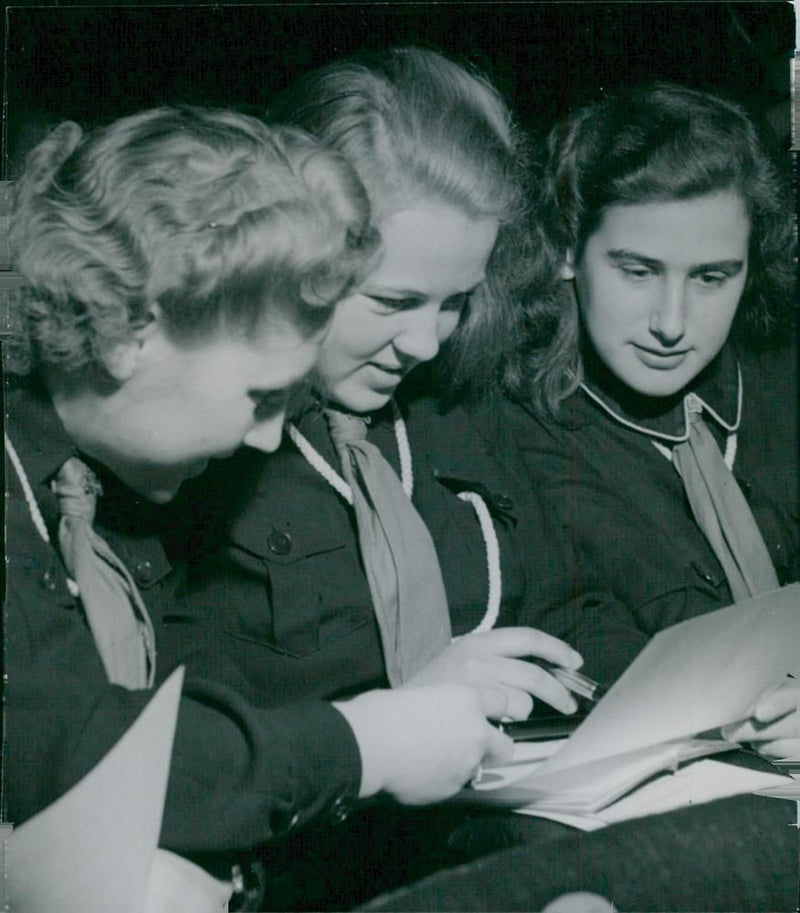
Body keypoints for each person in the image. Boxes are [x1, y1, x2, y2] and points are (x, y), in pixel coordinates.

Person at [4, 104, 519, 908]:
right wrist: (367, 741)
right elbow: (70, 748)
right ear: (127, 335)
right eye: (260, 395)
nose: (267, 438)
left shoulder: (112, 486)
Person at [160, 47, 606, 909]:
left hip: (509, 827)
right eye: (394, 302)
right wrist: (401, 711)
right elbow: (179, 746)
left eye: (454, 301)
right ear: (294, 257)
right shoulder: (199, 454)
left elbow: (566, 608)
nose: (430, 342)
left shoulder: (454, 407)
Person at [502, 84, 799, 751]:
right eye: (638, 271)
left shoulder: (782, 374)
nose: (671, 323)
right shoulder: (513, 424)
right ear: (567, 250)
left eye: (712, 277)